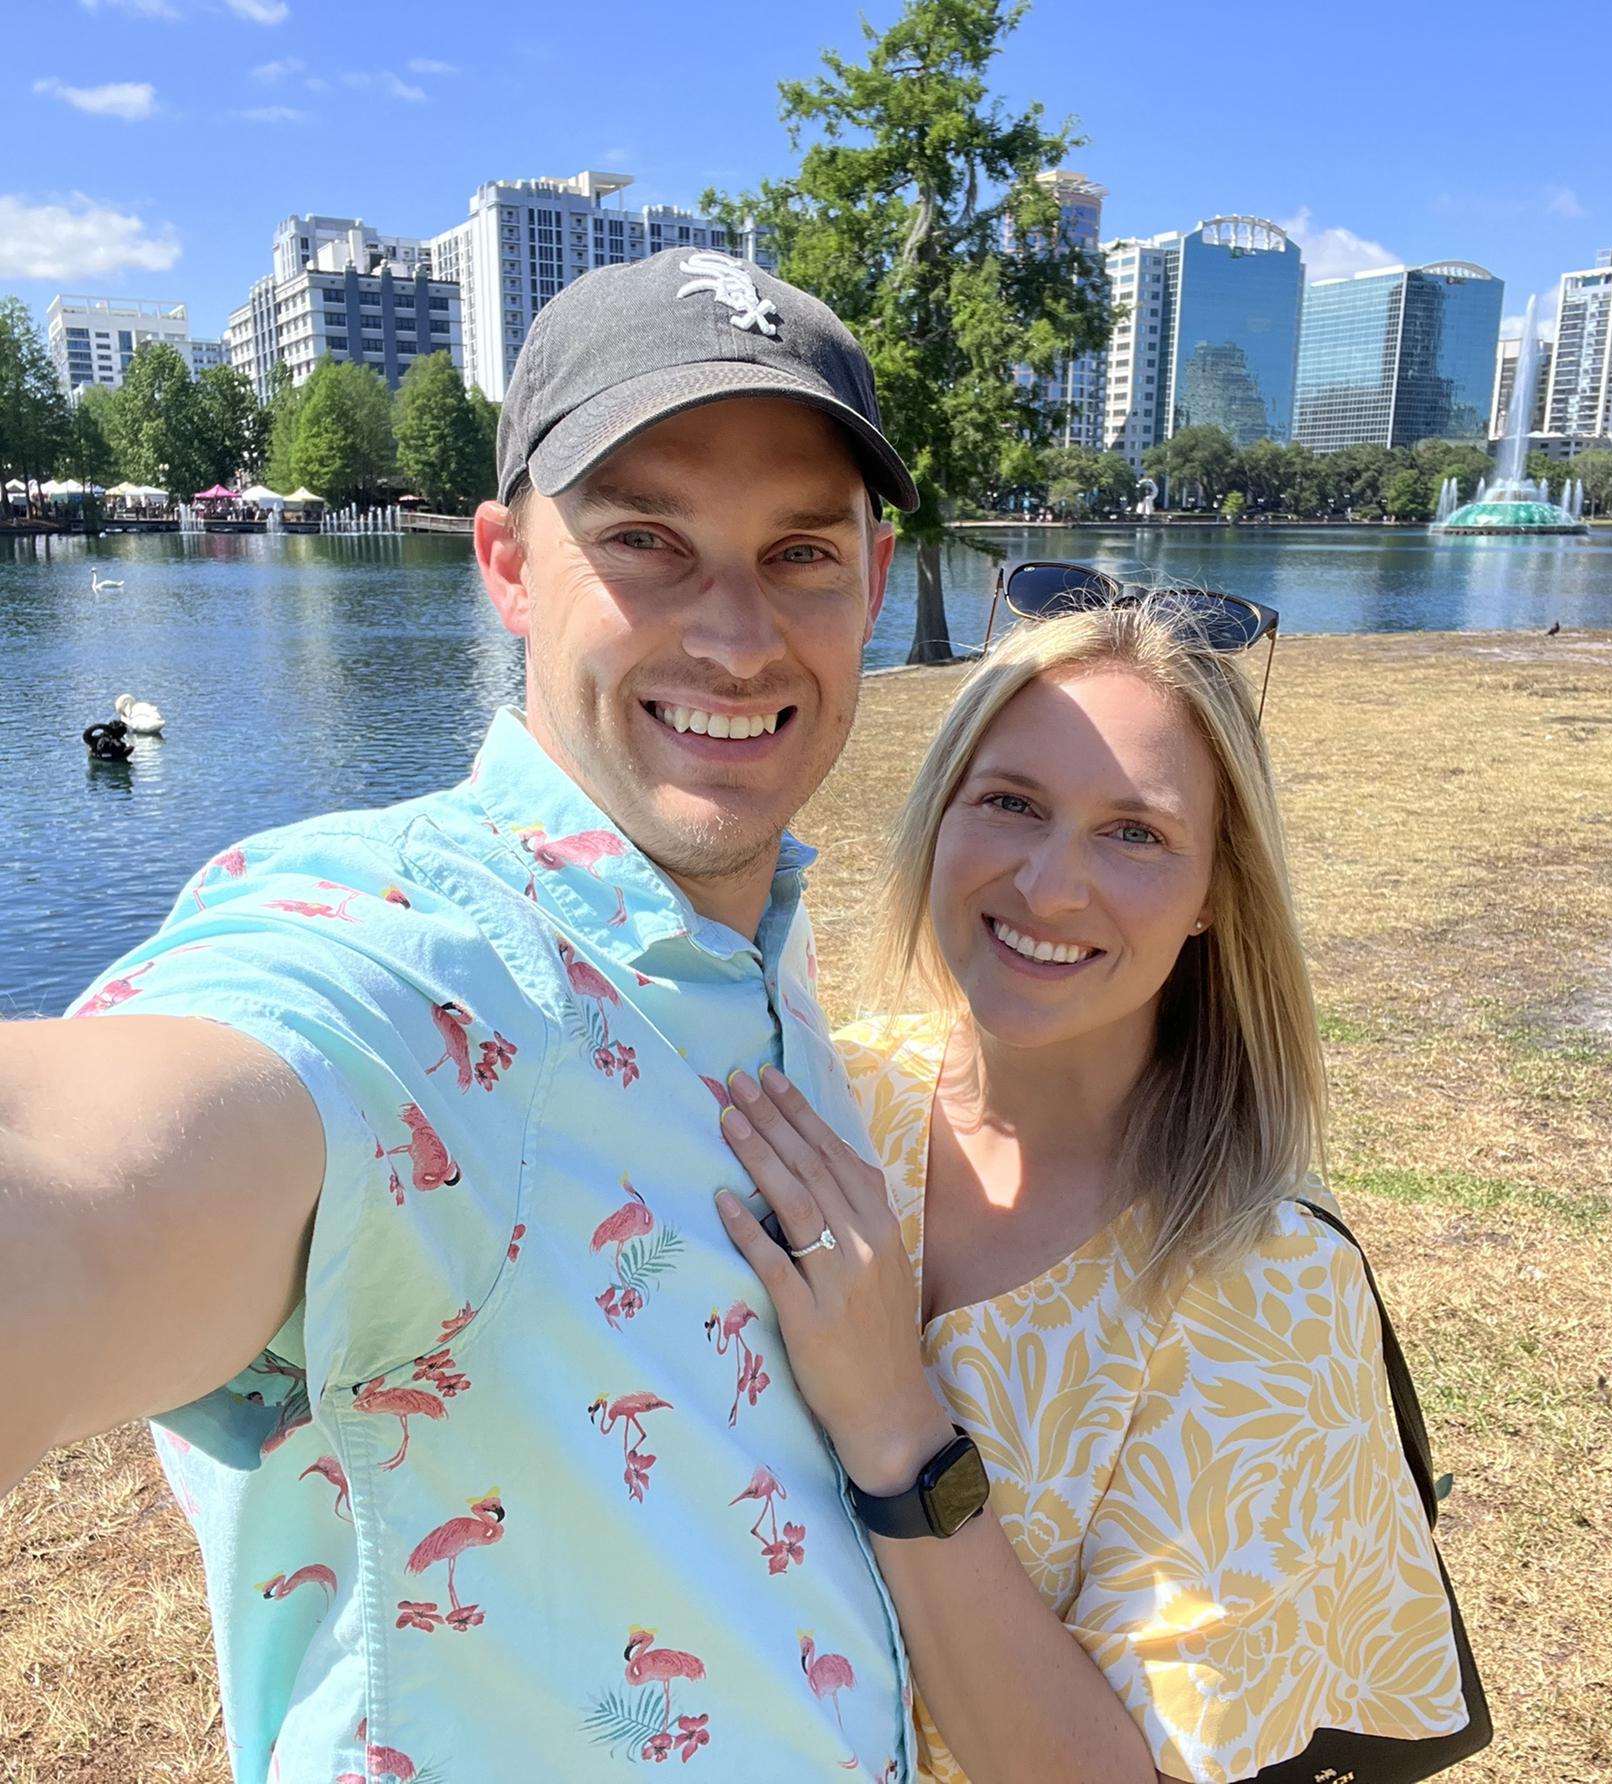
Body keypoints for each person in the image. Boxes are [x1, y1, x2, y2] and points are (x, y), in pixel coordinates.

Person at [0, 248, 928, 1780]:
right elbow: (97, 1169)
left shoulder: (752, 949)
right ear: (506, 566)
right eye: (644, 539)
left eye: (801, 552)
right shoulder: (434, 966)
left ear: (873, 582)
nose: (740, 635)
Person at [711, 597, 1472, 1782]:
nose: (1049, 883)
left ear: (1215, 890)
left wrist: (897, 1426)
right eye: (1011, 802)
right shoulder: (825, 1093)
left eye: (1134, 832)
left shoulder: (1268, 1286)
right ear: (940, 811)